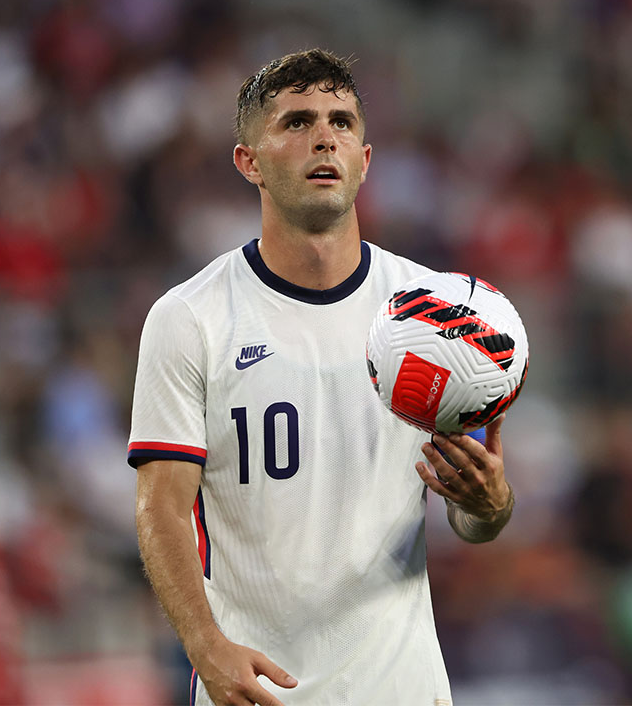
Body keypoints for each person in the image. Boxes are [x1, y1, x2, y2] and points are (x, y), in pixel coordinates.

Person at [128, 49, 515, 706]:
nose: (324, 136)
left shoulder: (433, 314)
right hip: (258, 691)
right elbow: (160, 505)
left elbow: (471, 521)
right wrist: (203, 644)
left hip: (402, 689)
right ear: (249, 161)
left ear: (364, 160)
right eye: (297, 122)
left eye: (341, 121)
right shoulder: (190, 318)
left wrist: (490, 506)